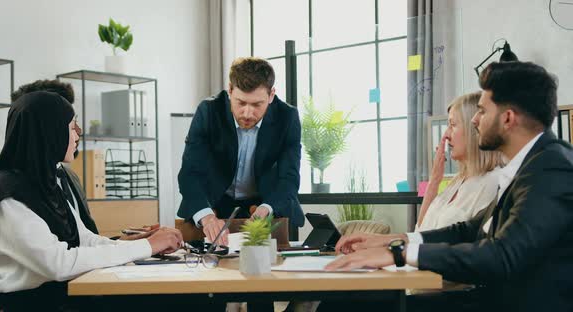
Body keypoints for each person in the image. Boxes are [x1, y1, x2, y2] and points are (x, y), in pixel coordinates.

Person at [325, 61, 572, 312]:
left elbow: (503, 255)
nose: (475, 120)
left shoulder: (551, 168)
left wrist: (400, 254)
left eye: (483, 111)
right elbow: (469, 230)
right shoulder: (529, 165)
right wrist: (395, 240)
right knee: (342, 303)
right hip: (491, 301)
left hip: (509, 305)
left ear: (508, 118)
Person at [0, 91, 183, 311]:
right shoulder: (8, 193)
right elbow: (58, 263)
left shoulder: (45, 183)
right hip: (21, 304)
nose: (78, 133)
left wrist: (146, 246)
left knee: (177, 299)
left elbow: (85, 239)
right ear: (48, 132)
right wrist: (148, 245)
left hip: (55, 296)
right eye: (71, 126)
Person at [177, 57, 303, 245]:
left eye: (256, 105)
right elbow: (189, 174)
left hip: (266, 205)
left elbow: (289, 177)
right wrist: (207, 217)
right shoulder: (209, 112)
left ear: (271, 95)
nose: (247, 113)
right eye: (241, 102)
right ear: (230, 91)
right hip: (214, 204)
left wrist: (267, 208)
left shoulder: (288, 117)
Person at [11, 79, 157, 240]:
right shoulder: (16, 190)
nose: (77, 131)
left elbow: (85, 240)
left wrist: (129, 242)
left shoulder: (70, 178)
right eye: (67, 123)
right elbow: (56, 255)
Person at [417, 92, 504, 232]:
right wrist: (434, 180)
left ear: (473, 129)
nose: (445, 135)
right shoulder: (458, 181)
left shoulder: (493, 182)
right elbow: (420, 229)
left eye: (452, 125)